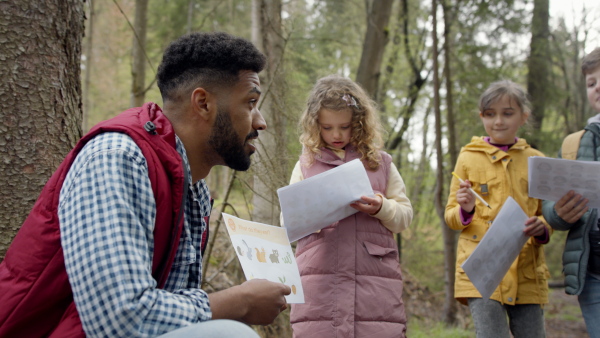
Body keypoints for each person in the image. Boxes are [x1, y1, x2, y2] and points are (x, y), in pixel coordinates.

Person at [0, 31, 290, 338]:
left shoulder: (193, 186)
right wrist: (239, 303)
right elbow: (119, 319)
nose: (260, 122)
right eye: (251, 103)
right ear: (203, 103)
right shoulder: (116, 159)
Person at [285, 75, 413, 337]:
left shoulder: (381, 164)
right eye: (327, 127)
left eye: (344, 126)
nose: (336, 135)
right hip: (319, 282)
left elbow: (404, 217)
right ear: (314, 125)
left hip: (374, 283)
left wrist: (380, 207)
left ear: (359, 122)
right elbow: (286, 223)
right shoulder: (305, 165)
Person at [444, 80, 551, 338]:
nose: (498, 121)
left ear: (523, 116)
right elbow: (451, 216)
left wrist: (543, 228)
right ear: (482, 116)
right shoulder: (468, 157)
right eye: (490, 114)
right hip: (481, 270)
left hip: (527, 272)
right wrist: (466, 209)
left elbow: (547, 214)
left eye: (507, 113)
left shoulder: (537, 160)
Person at [542, 47, 600, 338]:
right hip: (593, 275)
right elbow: (550, 206)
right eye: (591, 83)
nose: (597, 86)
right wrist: (559, 214)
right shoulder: (574, 144)